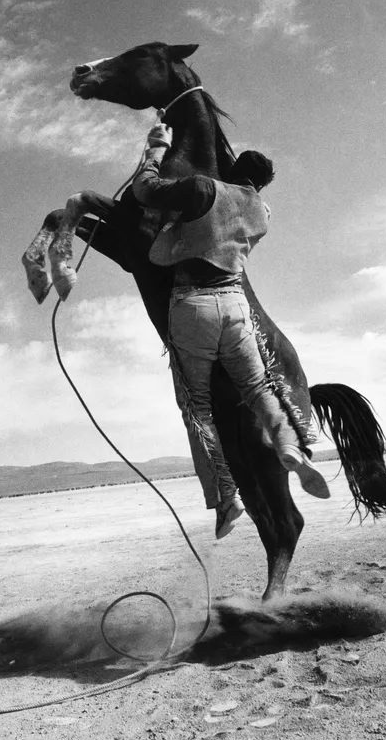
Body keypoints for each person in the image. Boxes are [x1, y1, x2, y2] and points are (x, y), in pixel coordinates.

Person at [132, 123, 330, 540]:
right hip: (236, 304)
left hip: (193, 305)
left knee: (198, 408)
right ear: (262, 185)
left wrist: (156, 147)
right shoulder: (263, 213)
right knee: (260, 389)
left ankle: (226, 496)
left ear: (233, 168)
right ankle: (291, 449)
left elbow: (146, 190)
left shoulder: (204, 189)